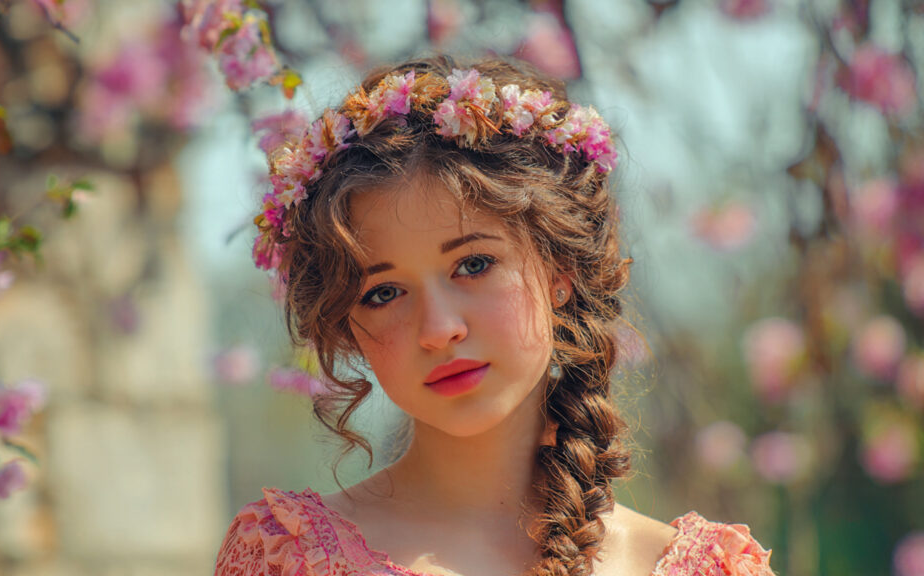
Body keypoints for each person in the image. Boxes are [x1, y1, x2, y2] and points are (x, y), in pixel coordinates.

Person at [214, 55, 776, 576]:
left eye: (474, 264)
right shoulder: (286, 558)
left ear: (560, 271)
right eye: (383, 293)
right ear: (346, 328)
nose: (439, 329)